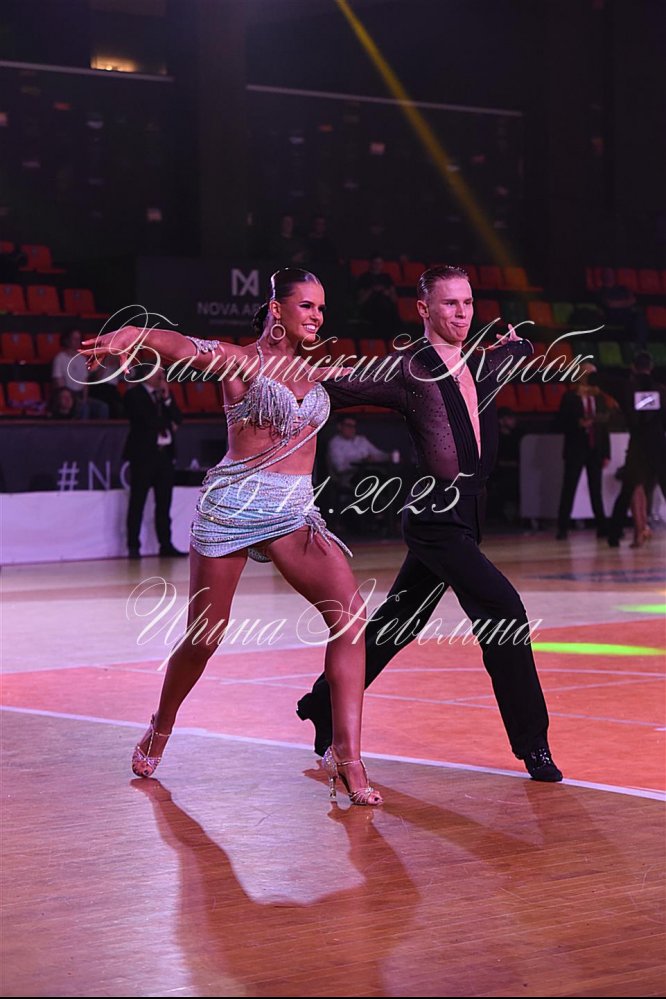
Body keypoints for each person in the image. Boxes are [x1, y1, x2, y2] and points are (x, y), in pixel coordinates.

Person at [80, 268, 382, 806]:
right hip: (233, 510)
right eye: (307, 305)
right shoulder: (240, 361)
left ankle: (348, 754)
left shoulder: (317, 371)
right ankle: (160, 725)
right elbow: (181, 347)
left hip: (293, 513)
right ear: (276, 308)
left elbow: (400, 374)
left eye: (321, 307)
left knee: (351, 619)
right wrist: (132, 335)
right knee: (205, 636)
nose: (317, 316)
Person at [297, 264, 563, 782]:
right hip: (434, 519)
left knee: (398, 623)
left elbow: (518, 350)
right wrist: (281, 369)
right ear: (423, 309)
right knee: (504, 610)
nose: (462, 313)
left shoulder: (482, 363)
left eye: (468, 303)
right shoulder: (408, 370)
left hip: (469, 516)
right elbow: (338, 387)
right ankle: (534, 744)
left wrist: (519, 343)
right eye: (449, 304)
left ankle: (322, 704)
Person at [600, 352, 666, 547]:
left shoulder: (626, 388)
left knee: (631, 487)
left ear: (633, 368)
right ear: (651, 368)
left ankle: (624, 533)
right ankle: (637, 531)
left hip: (638, 444)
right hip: (658, 445)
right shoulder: (661, 391)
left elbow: (602, 380)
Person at [123, 367, 186, 560]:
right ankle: (133, 545)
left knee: (164, 502)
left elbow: (178, 418)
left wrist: (167, 400)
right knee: (138, 501)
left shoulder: (164, 395)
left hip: (164, 455)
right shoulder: (134, 394)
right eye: (158, 373)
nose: (161, 377)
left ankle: (165, 544)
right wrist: (168, 423)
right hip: (143, 456)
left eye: (163, 374)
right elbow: (147, 420)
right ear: (146, 375)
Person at [555, 362, 612, 540]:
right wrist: (578, 423)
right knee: (569, 487)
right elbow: (560, 422)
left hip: (595, 448)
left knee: (596, 489)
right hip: (576, 448)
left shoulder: (599, 397)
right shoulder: (570, 396)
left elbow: (604, 428)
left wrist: (606, 453)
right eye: (587, 374)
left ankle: (602, 527)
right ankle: (562, 527)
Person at [52, 328, 109, 419]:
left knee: (102, 407)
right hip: (68, 396)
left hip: (80, 395)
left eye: (79, 339)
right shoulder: (59, 358)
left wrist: (84, 399)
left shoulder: (82, 358)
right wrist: (70, 398)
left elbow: (85, 383)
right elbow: (59, 384)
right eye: (74, 339)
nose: (77, 341)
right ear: (67, 340)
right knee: (84, 408)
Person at [327, 416, 389, 490]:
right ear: (340, 426)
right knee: (373, 479)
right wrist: (361, 461)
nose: (352, 429)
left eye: (353, 426)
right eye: (349, 426)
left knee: (387, 478)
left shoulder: (362, 440)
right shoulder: (335, 443)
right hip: (350, 476)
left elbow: (378, 453)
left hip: (370, 472)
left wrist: (389, 456)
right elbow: (340, 468)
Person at [356, 255, 399, 334]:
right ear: (371, 263)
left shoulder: (387, 277)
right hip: (370, 308)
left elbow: (394, 299)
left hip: (386, 308)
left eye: (380, 263)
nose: (378, 265)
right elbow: (360, 301)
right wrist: (372, 289)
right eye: (375, 263)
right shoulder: (364, 277)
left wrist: (386, 292)